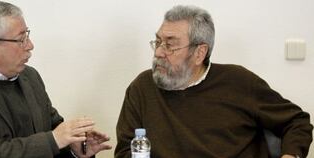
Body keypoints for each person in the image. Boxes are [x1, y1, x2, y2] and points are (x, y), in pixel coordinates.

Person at [115, 5, 312, 158]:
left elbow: (297, 122)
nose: (158, 52)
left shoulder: (239, 82)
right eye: (158, 42)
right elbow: (125, 151)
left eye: (169, 45)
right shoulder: (142, 88)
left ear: (199, 52)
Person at [0, 1, 111, 158]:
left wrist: (74, 149)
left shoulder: (30, 77)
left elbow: (53, 136)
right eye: (21, 39)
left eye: (27, 35)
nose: (30, 45)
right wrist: (55, 139)